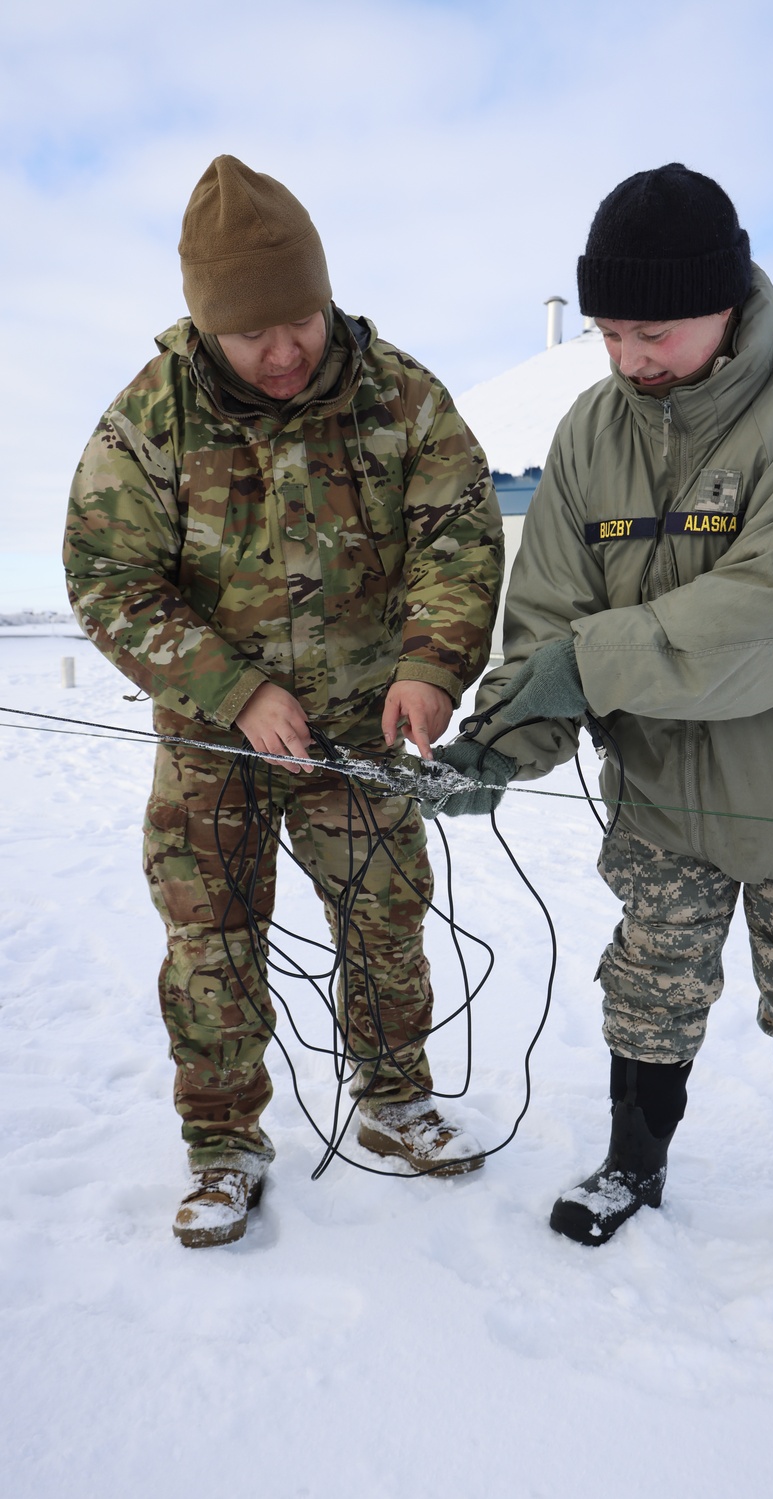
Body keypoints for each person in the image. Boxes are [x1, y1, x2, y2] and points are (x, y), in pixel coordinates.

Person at [430, 164, 773, 1300]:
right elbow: (547, 619)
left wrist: (579, 665)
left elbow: (771, 618)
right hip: (657, 796)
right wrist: (500, 741)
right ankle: (632, 1162)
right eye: (606, 332)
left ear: (727, 299)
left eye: (650, 330)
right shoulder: (591, 430)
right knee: (647, 981)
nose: (626, 358)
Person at [64, 156, 503, 1248]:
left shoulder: (401, 395)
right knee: (210, 943)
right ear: (206, 326)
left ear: (322, 291)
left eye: (295, 321)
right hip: (217, 745)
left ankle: (395, 1101)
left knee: (386, 917)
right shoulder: (146, 421)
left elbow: (459, 535)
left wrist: (431, 662)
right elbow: (107, 578)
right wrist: (235, 689)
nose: (280, 350)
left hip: (362, 728)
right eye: (249, 333)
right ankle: (223, 1147)